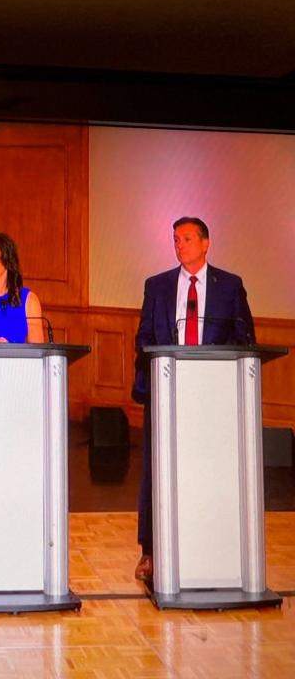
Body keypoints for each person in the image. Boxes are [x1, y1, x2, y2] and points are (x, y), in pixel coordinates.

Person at [132, 216, 255, 581]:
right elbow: (142, 338)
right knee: (156, 470)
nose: (179, 244)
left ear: (206, 244)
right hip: (166, 389)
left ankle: (213, 542)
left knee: (208, 468)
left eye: (186, 238)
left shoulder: (230, 286)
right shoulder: (157, 286)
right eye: (175, 239)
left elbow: (244, 338)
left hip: (211, 394)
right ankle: (151, 551)